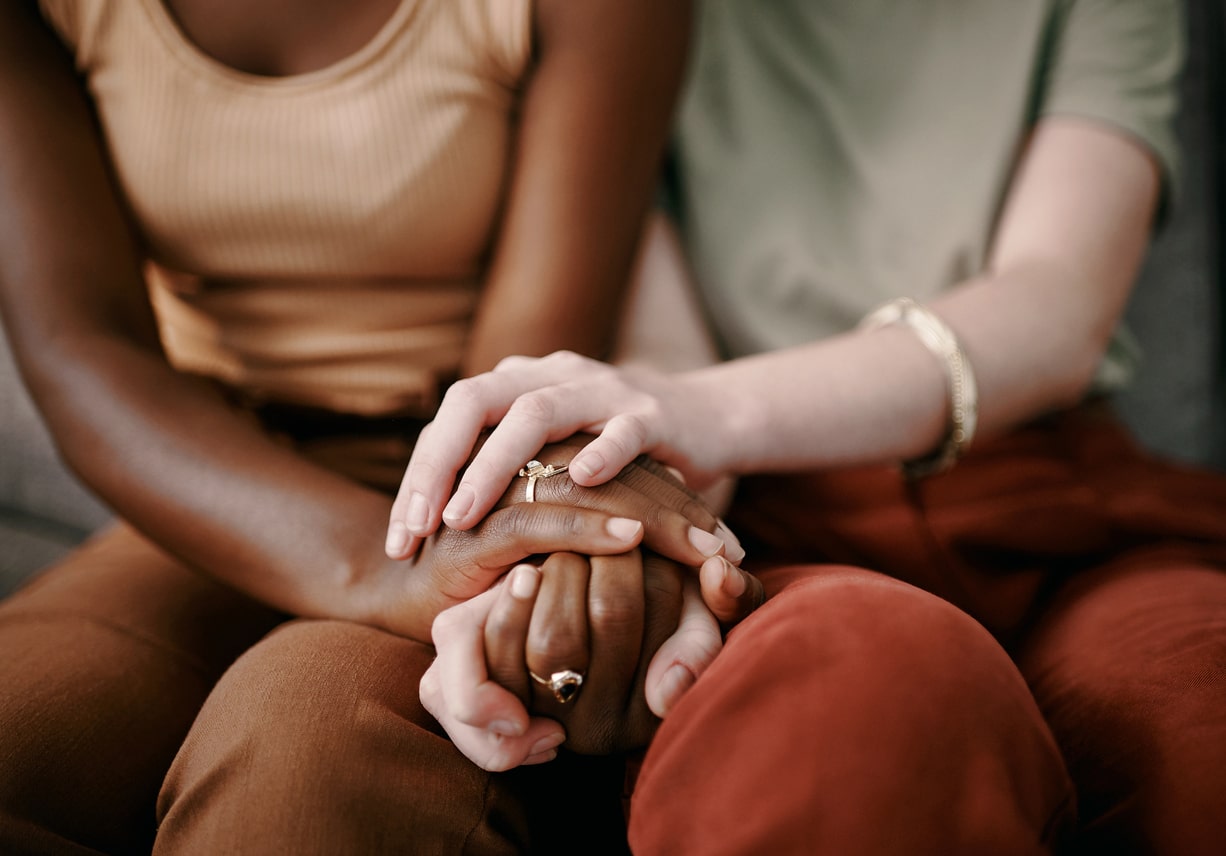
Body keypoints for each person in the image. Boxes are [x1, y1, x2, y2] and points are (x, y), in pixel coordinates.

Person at [396, 0, 1226, 852]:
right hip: (773, 532)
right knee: (847, 708)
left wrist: (704, 411)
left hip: (1068, 512)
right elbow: (659, 389)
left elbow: (1058, 308)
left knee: (1202, 713)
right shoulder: (629, 18)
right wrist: (595, 574)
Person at [0, 1, 755, 852]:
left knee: (301, 787)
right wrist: (377, 570)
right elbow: (82, 353)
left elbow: (527, 370)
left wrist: (488, 550)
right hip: (205, 478)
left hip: (466, 478)